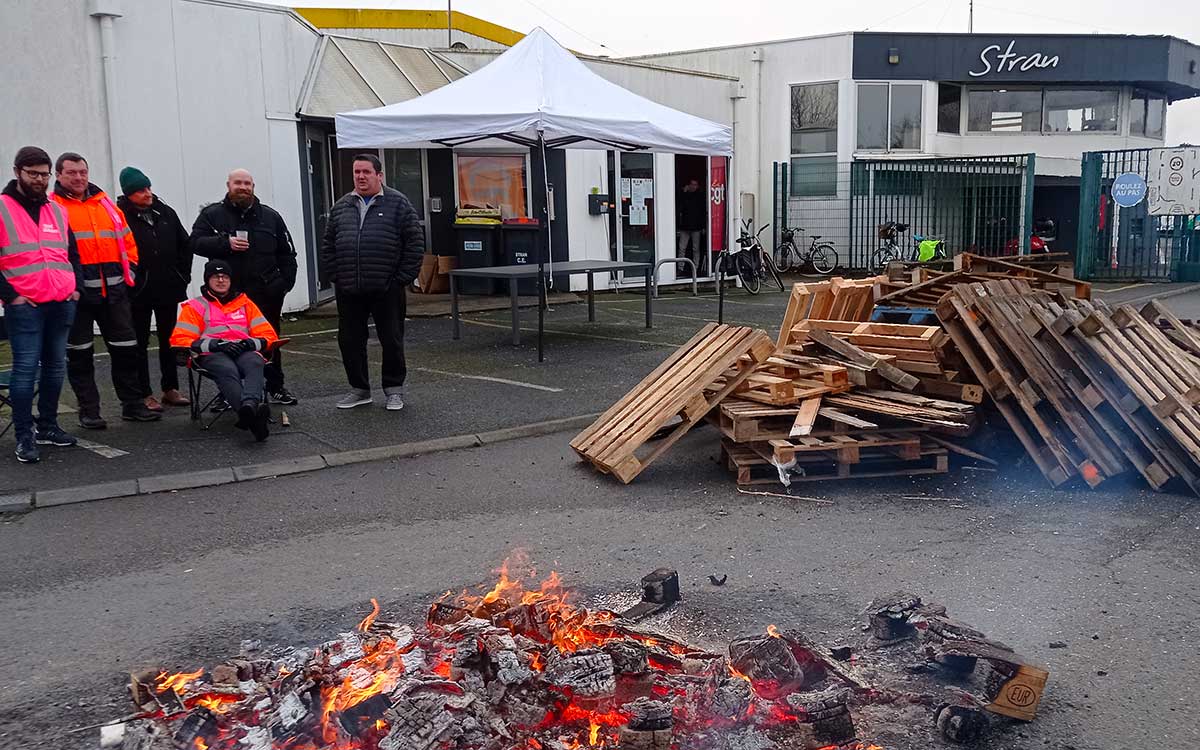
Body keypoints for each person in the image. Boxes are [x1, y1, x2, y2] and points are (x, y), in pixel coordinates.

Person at [51, 152, 160, 427]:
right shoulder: (52, 207)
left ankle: (132, 405)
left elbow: (128, 242)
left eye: (82, 172)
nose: (78, 177)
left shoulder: (106, 205)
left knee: (126, 350)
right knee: (80, 355)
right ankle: (89, 411)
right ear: (59, 176)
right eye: (72, 173)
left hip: (114, 293)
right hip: (76, 296)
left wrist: (130, 274)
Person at [320, 154, 424, 411]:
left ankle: (393, 390)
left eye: (366, 172)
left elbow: (414, 243)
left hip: (386, 288)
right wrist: (336, 275)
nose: (361, 177)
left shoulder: (398, 203)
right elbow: (328, 244)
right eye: (357, 172)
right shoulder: (342, 206)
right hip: (350, 288)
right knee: (350, 340)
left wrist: (401, 279)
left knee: (392, 339)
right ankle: (359, 389)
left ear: (379, 175)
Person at [1, 147, 85, 463]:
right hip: (25, 306)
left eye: (44, 174)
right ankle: (24, 436)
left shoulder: (56, 210)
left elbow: (72, 253)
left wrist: (74, 287)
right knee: (24, 371)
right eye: (33, 173)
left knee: (55, 368)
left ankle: (47, 426)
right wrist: (11, 295)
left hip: (61, 301)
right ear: (17, 172)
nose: (40, 180)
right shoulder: (3, 209)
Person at [190, 168, 298, 407]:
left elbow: (287, 254)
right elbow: (194, 243)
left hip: (266, 293)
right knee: (228, 343)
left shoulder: (271, 216)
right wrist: (224, 243)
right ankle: (229, 392)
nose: (243, 187)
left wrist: (284, 284)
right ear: (228, 185)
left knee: (269, 342)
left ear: (253, 187)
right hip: (227, 298)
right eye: (238, 183)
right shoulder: (212, 215)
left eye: (247, 183)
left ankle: (275, 387)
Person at [170, 260, 278, 442]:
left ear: (231, 280)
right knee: (227, 369)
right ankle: (253, 417)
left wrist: (247, 344)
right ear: (207, 280)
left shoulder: (246, 303)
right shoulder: (195, 306)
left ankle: (250, 406)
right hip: (212, 355)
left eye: (225, 276)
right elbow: (181, 340)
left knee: (255, 361)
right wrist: (215, 345)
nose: (221, 280)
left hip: (243, 351)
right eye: (215, 277)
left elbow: (268, 335)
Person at [117, 166, 193, 412]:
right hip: (138, 292)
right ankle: (145, 393)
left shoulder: (166, 212)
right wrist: (131, 282)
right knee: (138, 343)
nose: (147, 193)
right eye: (140, 190)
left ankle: (170, 388)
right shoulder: (119, 216)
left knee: (170, 340)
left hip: (168, 288)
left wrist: (183, 276)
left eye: (148, 188)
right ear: (129, 193)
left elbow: (185, 245)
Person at [677, 178, 706, 268]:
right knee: (682, 248)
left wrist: (703, 227)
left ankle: (695, 268)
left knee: (695, 249)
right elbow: (679, 205)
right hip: (685, 227)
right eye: (692, 184)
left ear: (698, 186)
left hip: (696, 227)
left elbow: (702, 212)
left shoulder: (700, 196)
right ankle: (680, 267)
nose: (693, 187)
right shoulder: (684, 195)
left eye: (695, 185)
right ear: (688, 185)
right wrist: (683, 192)